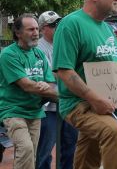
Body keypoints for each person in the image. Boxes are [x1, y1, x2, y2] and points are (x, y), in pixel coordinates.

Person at [52, 0, 117, 169]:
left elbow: (116, 68)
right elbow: (64, 71)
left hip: (107, 104)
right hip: (79, 104)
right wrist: (95, 99)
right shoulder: (71, 24)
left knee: (87, 158)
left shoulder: (107, 29)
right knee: (113, 132)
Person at [0, 13, 58, 169]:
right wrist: (70, 95)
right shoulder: (8, 54)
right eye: (30, 29)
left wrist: (48, 87)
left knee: (31, 155)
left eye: (37, 29)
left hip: (35, 112)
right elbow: (26, 85)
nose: (36, 33)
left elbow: (50, 83)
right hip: (13, 111)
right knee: (25, 148)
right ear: (18, 33)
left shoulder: (39, 54)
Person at [36, 11, 78, 169]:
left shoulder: (65, 43)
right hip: (48, 108)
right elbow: (50, 75)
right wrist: (67, 73)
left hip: (68, 104)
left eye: (59, 24)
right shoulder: (39, 48)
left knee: (70, 148)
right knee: (44, 151)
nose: (57, 27)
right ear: (43, 28)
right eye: (53, 25)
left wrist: (65, 73)